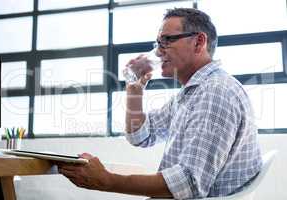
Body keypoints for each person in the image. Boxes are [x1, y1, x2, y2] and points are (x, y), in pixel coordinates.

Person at [58, 8, 262, 199]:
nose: (158, 52)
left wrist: (107, 181)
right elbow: (140, 136)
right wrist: (134, 88)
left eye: (166, 41)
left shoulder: (215, 91)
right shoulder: (192, 92)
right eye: (157, 44)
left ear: (199, 42)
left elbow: (188, 184)